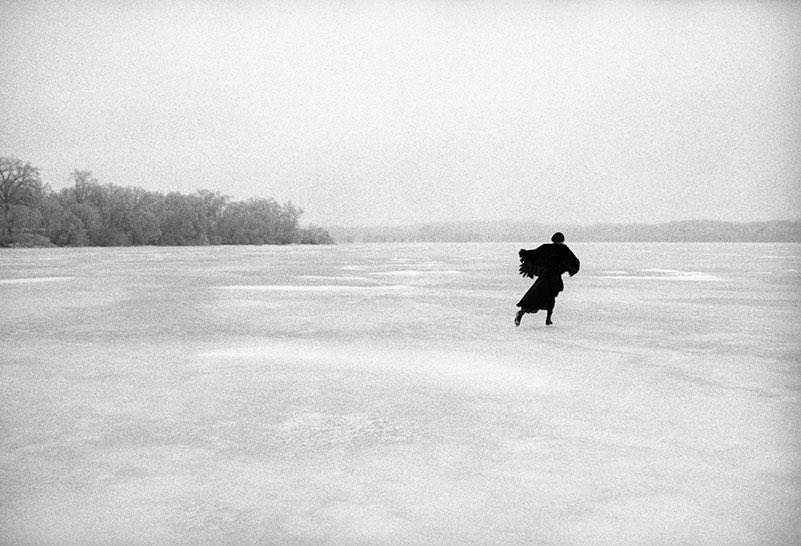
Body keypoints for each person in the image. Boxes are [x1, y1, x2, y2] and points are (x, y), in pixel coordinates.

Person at [515, 232, 580, 327]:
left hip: (544, 276)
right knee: (550, 297)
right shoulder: (564, 249)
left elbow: (534, 254)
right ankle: (548, 318)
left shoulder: (546, 247)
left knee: (536, 296)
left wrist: (524, 253)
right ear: (562, 240)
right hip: (554, 277)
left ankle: (523, 312)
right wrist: (569, 268)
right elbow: (575, 262)